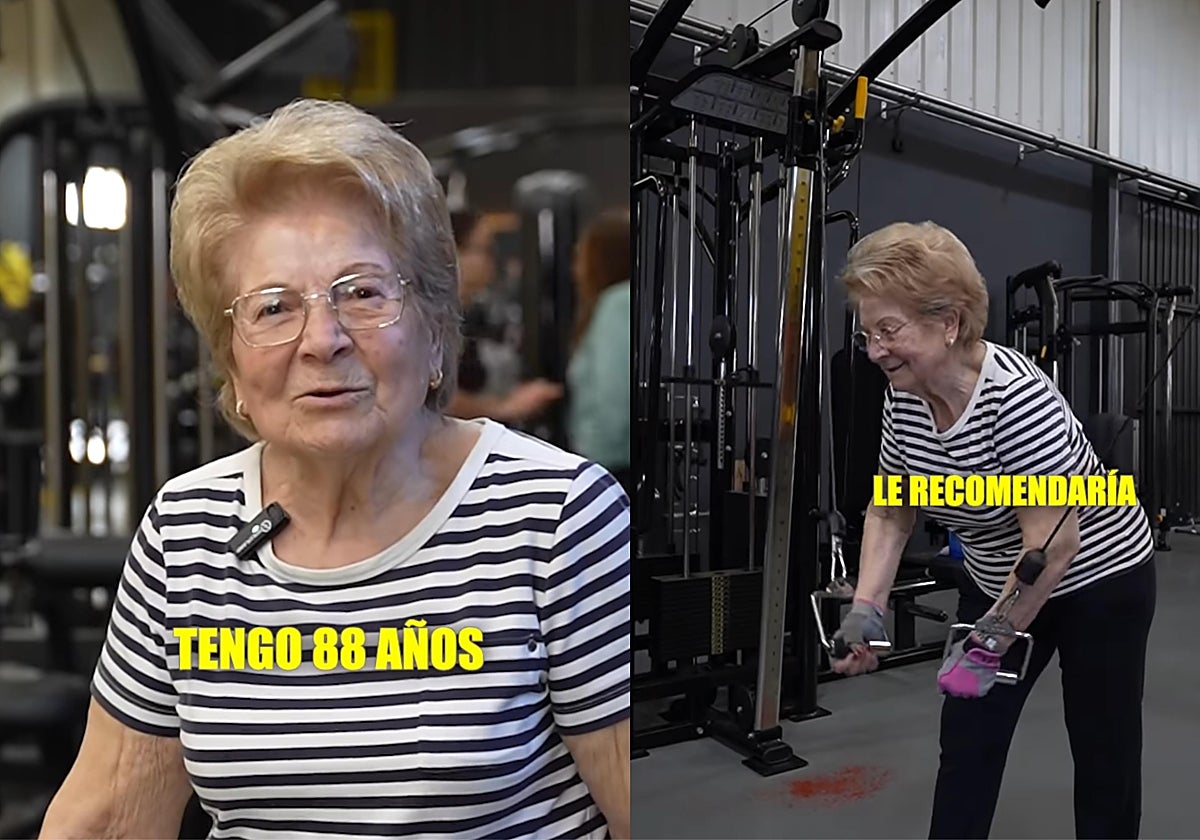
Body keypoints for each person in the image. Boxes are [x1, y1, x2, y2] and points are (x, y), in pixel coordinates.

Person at [38, 99, 630, 840]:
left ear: (435, 327)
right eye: (274, 307)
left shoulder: (557, 514)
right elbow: (109, 818)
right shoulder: (182, 532)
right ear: (232, 362)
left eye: (362, 293)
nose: (323, 340)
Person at [829, 221, 1155, 839]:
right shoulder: (904, 397)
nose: (874, 351)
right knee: (969, 741)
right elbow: (892, 509)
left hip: (1097, 582)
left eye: (890, 331)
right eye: (869, 333)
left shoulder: (1016, 400)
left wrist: (985, 645)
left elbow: (1052, 547)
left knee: (1103, 751)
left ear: (949, 322)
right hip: (996, 579)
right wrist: (866, 610)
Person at [445, 209, 563, 425]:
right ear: (453, 253)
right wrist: (503, 408)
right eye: (485, 250)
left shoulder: (473, 315)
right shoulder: (432, 321)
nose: (493, 260)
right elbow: (428, 396)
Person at [566, 210, 630, 496]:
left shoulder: (616, 305)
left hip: (610, 470)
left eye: (580, 257)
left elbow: (614, 402)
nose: (575, 269)